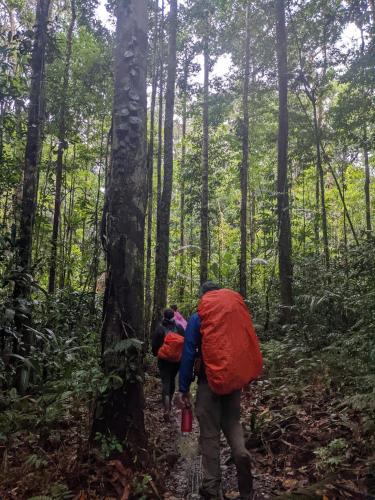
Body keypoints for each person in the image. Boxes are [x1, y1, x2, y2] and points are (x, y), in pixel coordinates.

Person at [176, 282, 256, 500]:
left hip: (207, 385)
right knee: (233, 424)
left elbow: (189, 353)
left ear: (203, 296)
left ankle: (212, 488)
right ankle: (244, 474)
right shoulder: (234, 316)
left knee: (209, 436)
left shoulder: (198, 317)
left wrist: (183, 388)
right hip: (233, 384)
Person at [152, 308, 185, 421]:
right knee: (172, 382)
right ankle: (169, 407)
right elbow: (184, 342)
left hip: (163, 361)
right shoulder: (179, 327)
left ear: (164, 316)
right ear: (173, 316)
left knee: (165, 382)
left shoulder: (160, 328)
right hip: (176, 361)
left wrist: (157, 353)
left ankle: (166, 409)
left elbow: (154, 346)